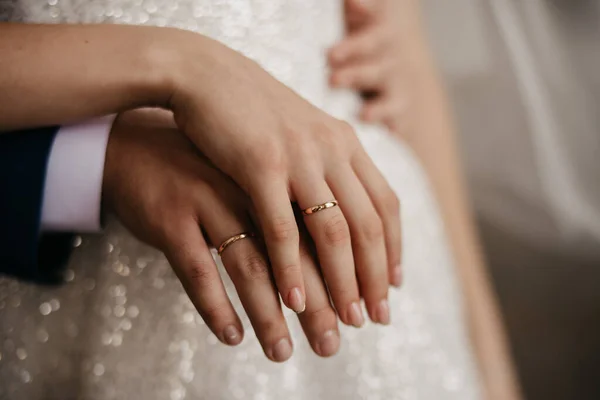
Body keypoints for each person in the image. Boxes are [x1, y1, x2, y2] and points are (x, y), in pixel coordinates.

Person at [0, 0, 520, 399]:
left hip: (392, 303)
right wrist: (183, 65)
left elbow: (405, 64)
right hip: (92, 282)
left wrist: (491, 367)